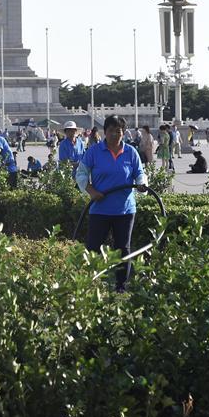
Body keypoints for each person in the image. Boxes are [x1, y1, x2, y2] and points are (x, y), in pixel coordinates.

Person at [75, 114, 147, 293]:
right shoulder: (94, 151)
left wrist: (142, 183)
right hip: (100, 209)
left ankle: (121, 286)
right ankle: (89, 283)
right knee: (93, 248)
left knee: (123, 248)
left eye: (119, 131)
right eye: (111, 131)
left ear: (124, 132)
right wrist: (91, 191)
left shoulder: (131, 151)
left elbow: (140, 172)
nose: (115, 134)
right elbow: (81, 173)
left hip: (125, 210)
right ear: (104, 132)